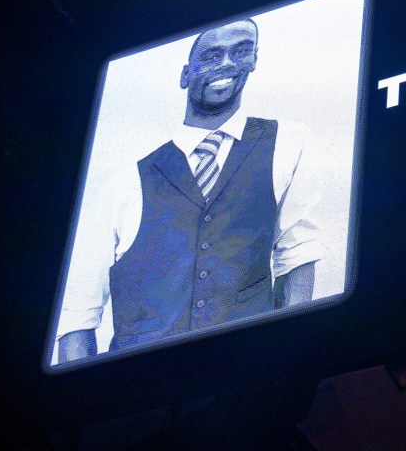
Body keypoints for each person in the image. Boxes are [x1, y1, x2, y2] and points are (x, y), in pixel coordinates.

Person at [57, 19, 324, 362]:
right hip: (142, 394)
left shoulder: (289, 143)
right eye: (212, 55)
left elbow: (298, 256)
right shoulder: (123, 184)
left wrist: (288, 357)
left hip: (247, 375)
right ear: (185, 75)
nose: (227, 63)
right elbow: (78, 313)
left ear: (254, 61)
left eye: (241, 51)